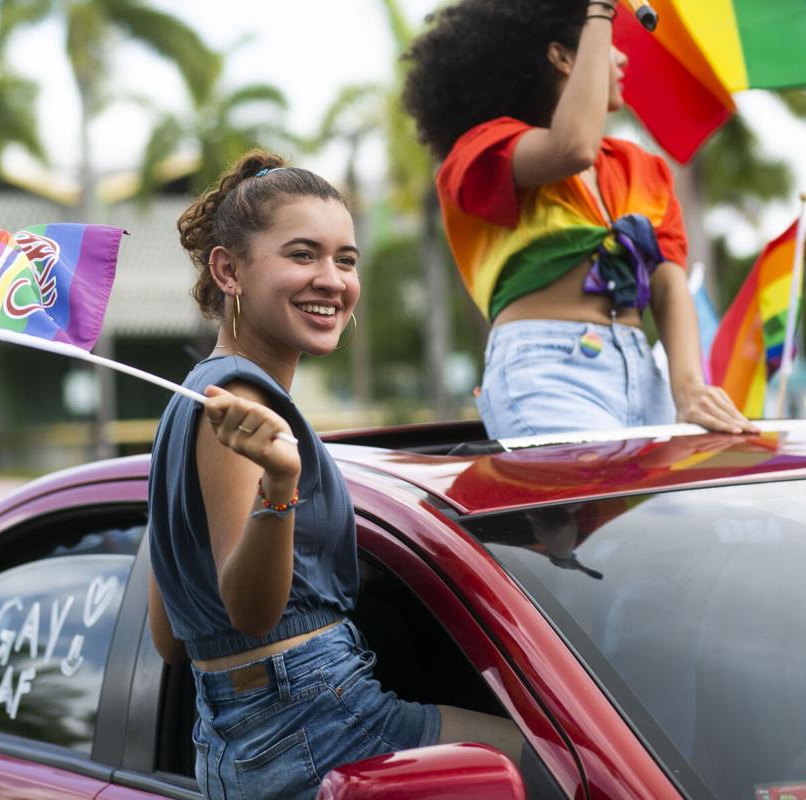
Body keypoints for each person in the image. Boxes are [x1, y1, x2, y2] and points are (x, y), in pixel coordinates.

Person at [147, 150, 524, 800]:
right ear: (228, 269)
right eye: (302, 255)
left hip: (233, 744)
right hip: (321, 721)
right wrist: (279, 485)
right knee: (566, 760)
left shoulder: (190, 401)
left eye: (345, 260)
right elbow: (253, 613)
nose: (331, 279)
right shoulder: (245, 404)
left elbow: (173, 639)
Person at [401, 0, 757, 438]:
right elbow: (573, 149)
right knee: (593, 507)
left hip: (643, 374)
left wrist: (689, 389)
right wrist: (599, 9)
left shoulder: (641, 166)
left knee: (662, 509)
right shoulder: (479, 151)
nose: (623, 57)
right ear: (562, 57)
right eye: (609, 42)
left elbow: (669, 282)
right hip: (548, 369)